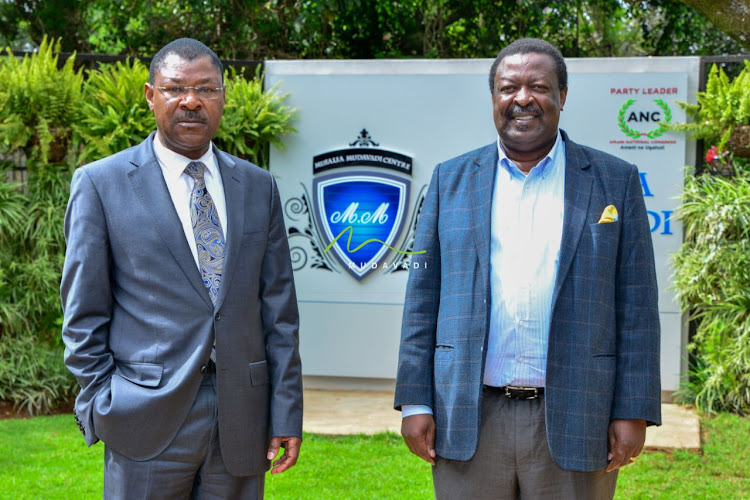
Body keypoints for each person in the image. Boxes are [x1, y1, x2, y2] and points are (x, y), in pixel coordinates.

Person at [394, 38, 661, 499]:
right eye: (508, 87)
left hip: (580, 415)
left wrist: (632, 409)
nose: (522, 98)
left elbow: (636, 307)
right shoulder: (449, 180)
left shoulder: (614, 179)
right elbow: (423, 299)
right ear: (493, 97)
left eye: (538, 86)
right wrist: (415, 401)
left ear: (562, 96)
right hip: (468, 415)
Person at [61, 38, 302, 498]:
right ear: (152, 96)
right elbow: (83, 312)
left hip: (242, 417)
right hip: (144, 418)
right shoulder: (100, 184)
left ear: (222, 98)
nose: (191, 101)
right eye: (176, 88)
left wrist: (286, 411)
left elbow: (280, 314)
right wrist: (103, 401)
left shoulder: (257, 186)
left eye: (206, 90)